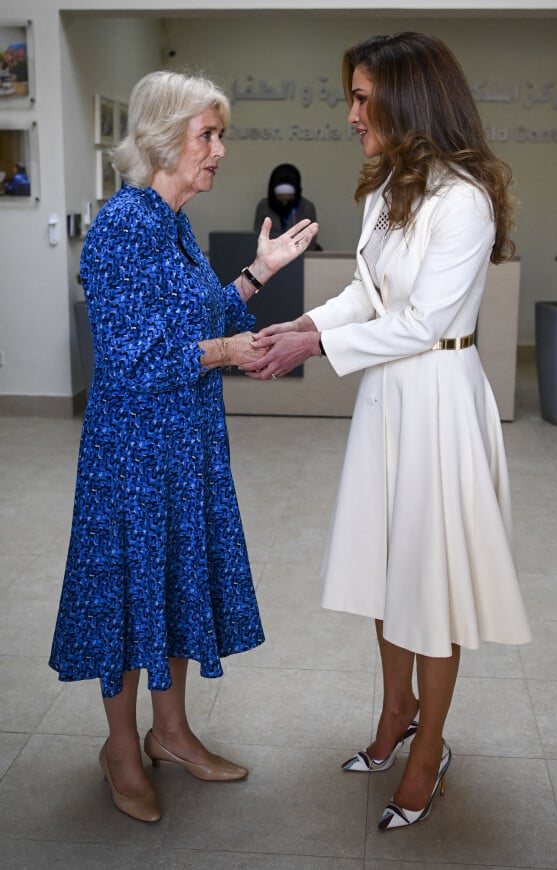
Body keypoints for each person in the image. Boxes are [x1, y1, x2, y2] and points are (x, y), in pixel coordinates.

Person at [242, 33, 531, 831]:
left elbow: (424, 321)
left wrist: (318, 346)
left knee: (430, 583)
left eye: (363, 98)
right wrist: (303, 321)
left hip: (439, 398)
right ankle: (397, 707)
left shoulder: (463, 199)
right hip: (387, 402)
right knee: (386, 564)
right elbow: (367, 298)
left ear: (409, 99)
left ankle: (429, 746)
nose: (351, 114)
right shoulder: (386, 193)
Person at [49, 70, 318, 824]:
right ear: (166, 139)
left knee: (173, 583)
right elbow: (130, 355)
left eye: (217, 135)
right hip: (133, 449)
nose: (220, 150)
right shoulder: (122, 225)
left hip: (185, 441)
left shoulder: (170, 222)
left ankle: (171, 735)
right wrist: (223, 354)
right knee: (129, 594)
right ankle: (121, 751)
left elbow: (195, 315)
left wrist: (255, 276)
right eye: (208, 135)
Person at [254, 163, 320, 249]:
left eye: (289, 200)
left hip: (298, 256)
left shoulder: (307, 208)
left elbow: (310, 242)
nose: (284, 203)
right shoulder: (264, 207)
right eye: (281, 199)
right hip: (271, 255)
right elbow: (257, 239)